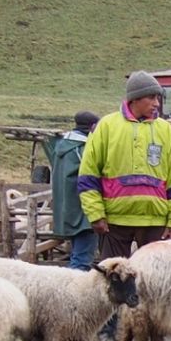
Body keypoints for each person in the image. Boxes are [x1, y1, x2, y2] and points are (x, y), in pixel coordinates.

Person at [79, 70, 171, 341]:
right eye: (152, 97)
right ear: (136, 98)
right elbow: (88, 176)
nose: (157, 103)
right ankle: (106, 336)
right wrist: (96, 215)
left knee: (161, 283)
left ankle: (164, 332)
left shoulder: (164, 130)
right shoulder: (106, 127)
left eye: (158, 98)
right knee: (109, 282)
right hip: (114, 222)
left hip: (155, 222)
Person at [51, 111, 99, 270]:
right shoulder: (83, 148)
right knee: (82, 260)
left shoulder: (61, 147)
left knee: (77, 254)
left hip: (67, 208)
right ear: (92, 126)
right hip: (84, 211)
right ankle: (74, 293)